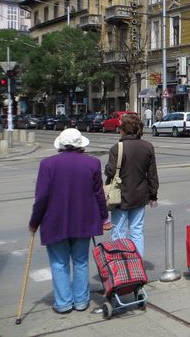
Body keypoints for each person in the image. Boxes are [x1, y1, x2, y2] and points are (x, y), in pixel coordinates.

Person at [29, 128, 107, 314]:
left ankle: (63, 303)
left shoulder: (47, 164)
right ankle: (81, 301)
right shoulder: (93, 163)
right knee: (81, 261)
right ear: (80, 144)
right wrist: (104, 217)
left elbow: (42, 197)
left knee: (59, 262)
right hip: (83, 221)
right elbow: (99, 194)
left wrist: (34, 221)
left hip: (55, 221)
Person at [105, 115, 158, 258]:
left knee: (119, 232)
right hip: (140, 195)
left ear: (124, 129)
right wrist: (153, 195)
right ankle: (138, 265)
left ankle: (122, 266)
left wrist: (107, 168)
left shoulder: (117, 148)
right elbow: (152, 174)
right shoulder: (148, 146)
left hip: (120, 197)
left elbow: (110, 171)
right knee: (137, 231)